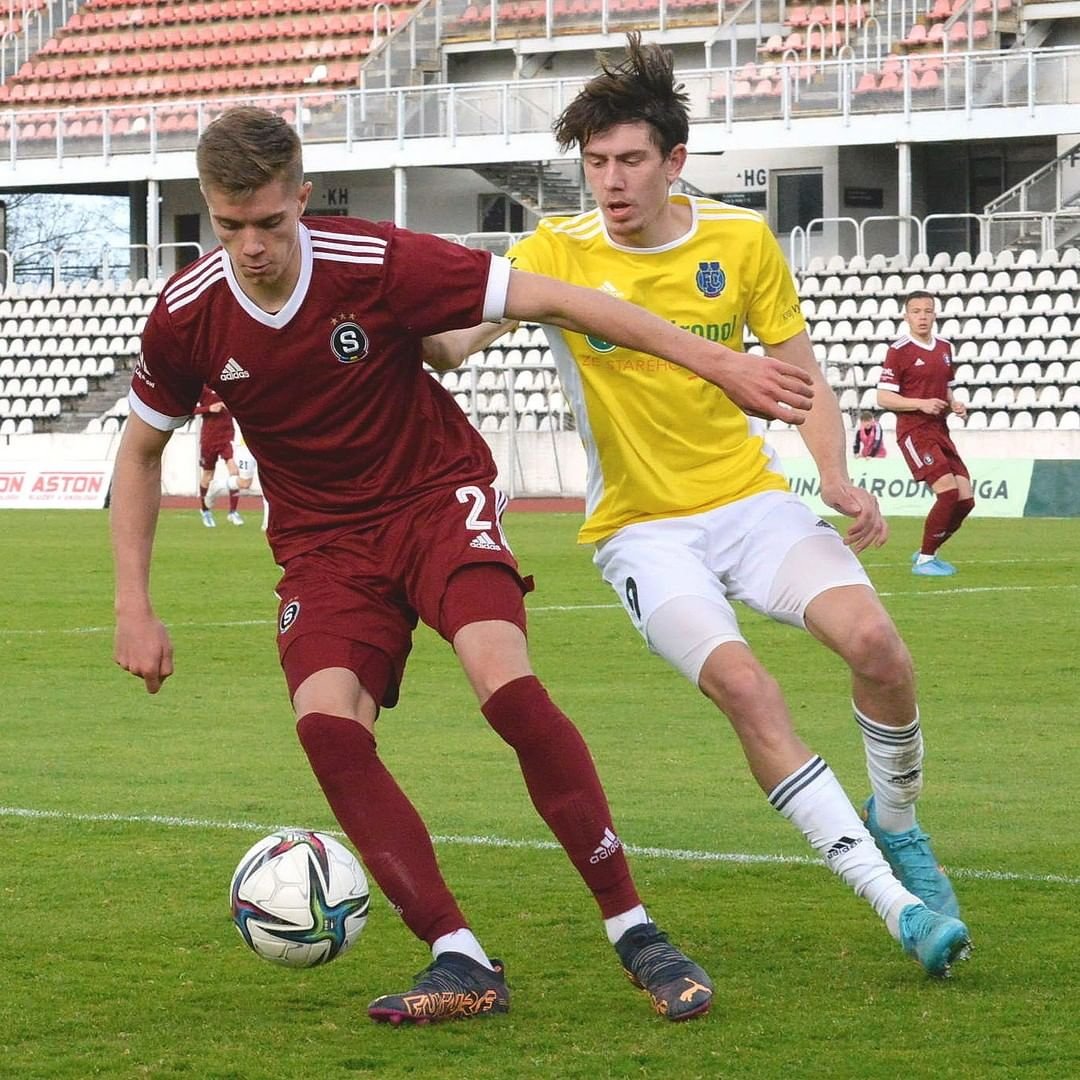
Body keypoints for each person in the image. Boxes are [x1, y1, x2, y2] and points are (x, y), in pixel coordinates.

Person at [110, 106, 818, 1027]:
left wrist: (717, 363)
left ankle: (635, 928)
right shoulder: (188, 312)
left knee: (505, 686)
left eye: (272, 224)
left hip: (433, 499)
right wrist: (134, 603)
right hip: (323, 546)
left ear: (303, 201)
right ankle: (459, 955)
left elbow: (559, 299)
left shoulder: (378, 261)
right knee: (327, 725)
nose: (252, 247)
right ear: (208, 211)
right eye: (230, 226)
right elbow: (137, 453)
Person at [424, 34, 971, 981]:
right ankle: (898, 906)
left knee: (880, 649)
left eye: (630, 159)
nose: (611, 181)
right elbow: (451, 346)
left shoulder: (739, 241)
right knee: (747, 688)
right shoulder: (555, 251)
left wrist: (834, 477)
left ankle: (901, 827)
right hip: (641, 533)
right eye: (594, 163)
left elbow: (802, 374)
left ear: (675, 161)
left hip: (751, 503)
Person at [877, 291, 973, 577]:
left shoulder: (944, 347)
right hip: (914, 431)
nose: (922, 316)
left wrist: (953, 403)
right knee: (947, 492)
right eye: (916, 311)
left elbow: (944, 387)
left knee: (965, 500)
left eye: (927, 311)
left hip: (940, 430)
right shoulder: (899, 350)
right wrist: (921, 403)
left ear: (935, 315)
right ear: (906, 316)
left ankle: (927, 550)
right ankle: (925, 560)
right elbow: (883, 397)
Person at [193, 384, 244, 527]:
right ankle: (205, 510)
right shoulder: (202, 389)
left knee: (234, 471)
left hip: (227, 437)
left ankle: (233, 512)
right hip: (209, 438)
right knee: (208, 475)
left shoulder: (229, 385)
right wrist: (208, 409)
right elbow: (189, 409)